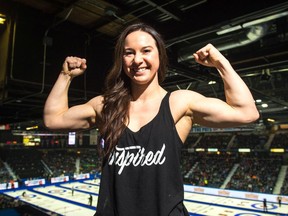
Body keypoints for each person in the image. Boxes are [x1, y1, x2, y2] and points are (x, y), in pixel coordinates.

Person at [43, 23, 259, 216]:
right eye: (129, 53)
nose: (138, 60)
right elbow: (54, 119)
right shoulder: (106, 105)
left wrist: (221, 63)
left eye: (146, 50)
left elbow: (246, 112)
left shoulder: (179, 103)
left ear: (159, 55)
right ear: (122, 60)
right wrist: (66, 76)